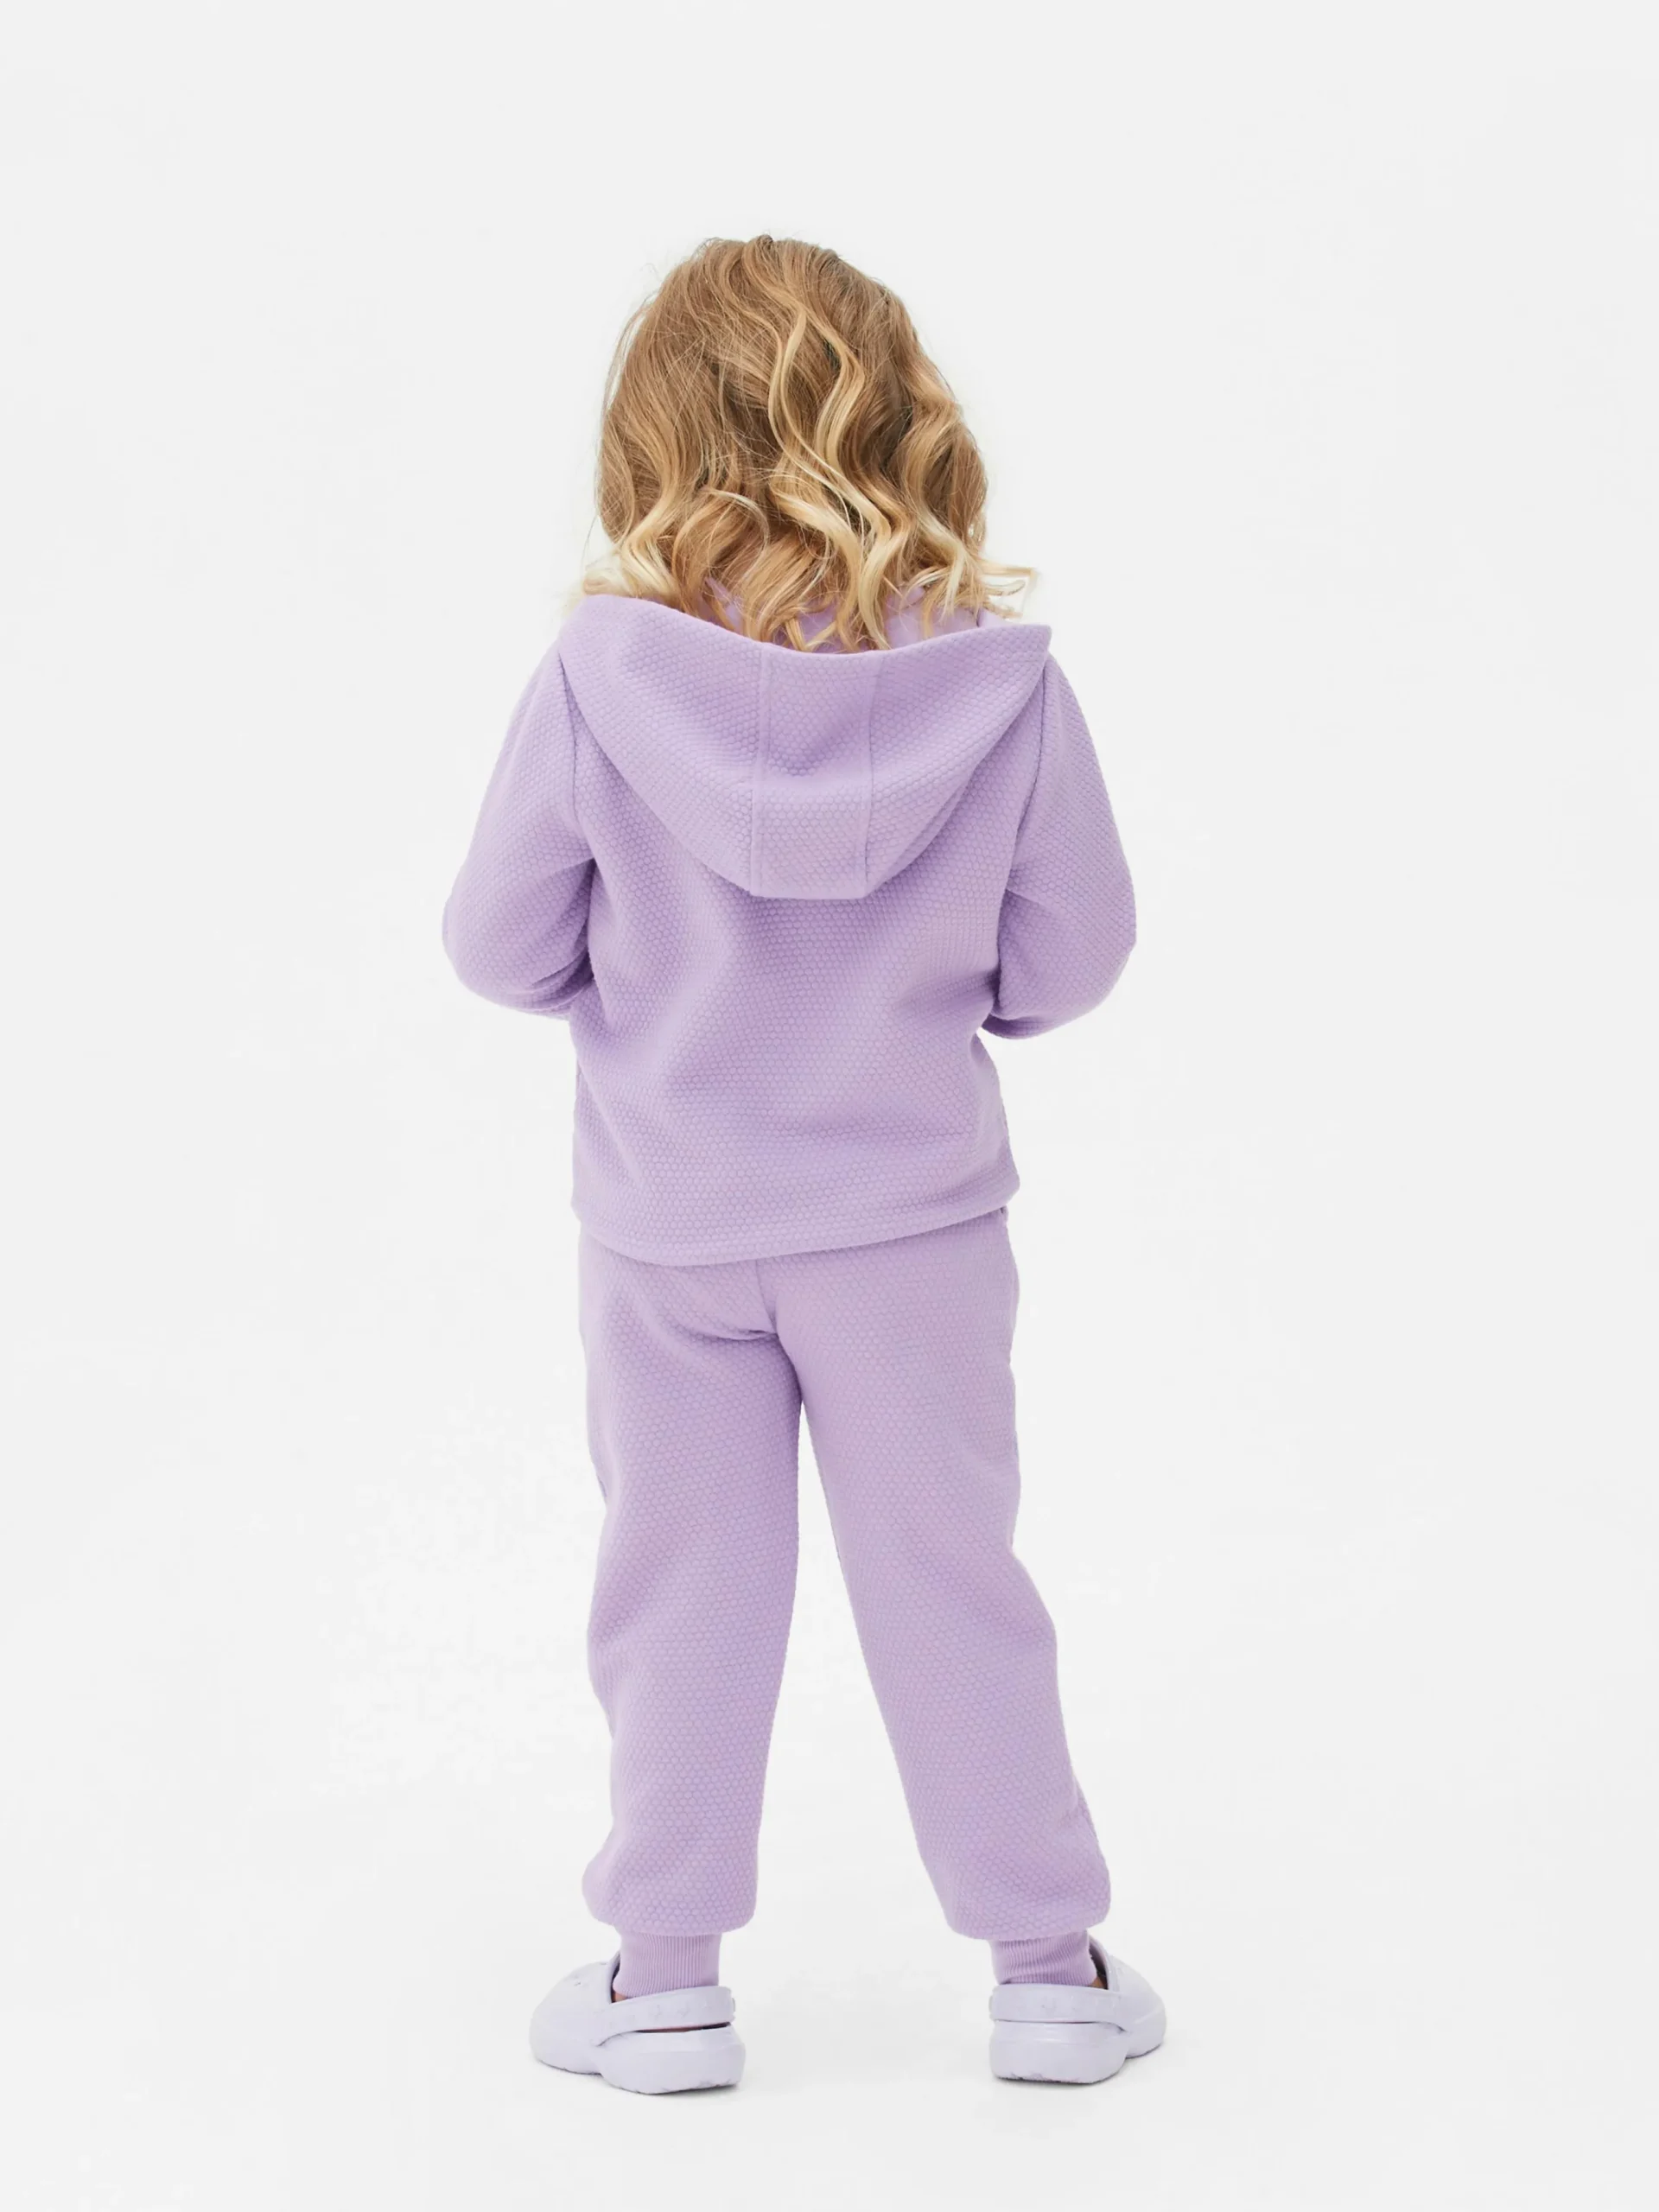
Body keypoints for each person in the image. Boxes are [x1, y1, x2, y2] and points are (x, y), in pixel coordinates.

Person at [443, 235, 1165, 2094]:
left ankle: (662, 1982)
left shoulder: (597, 681)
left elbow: (495, 947)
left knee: (678, 1590)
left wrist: (647, 992)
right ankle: (1051, 1972)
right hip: (913, 1230)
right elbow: (1074, 960)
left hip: (670, 1225)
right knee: (953, 1580)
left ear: (652, 438)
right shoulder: (1000, 689)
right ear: (906, 418)